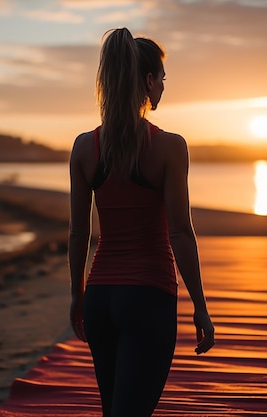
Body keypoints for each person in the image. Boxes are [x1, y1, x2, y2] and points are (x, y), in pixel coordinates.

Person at [68, 27, 215, 417]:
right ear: (148, 81)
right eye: (162, 78)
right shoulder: (170, 147)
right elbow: (181, 232)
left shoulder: (85, 147)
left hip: (100, 297)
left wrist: (76, 295)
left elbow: (79, 232)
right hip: (148, 297)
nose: (164, 85)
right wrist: (200, 305)